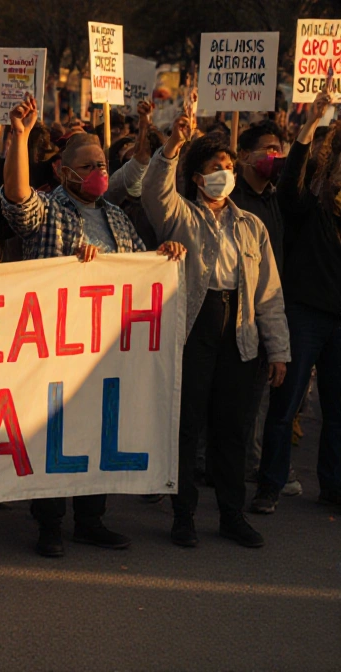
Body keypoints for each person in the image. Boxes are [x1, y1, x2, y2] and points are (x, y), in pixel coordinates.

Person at [2, 94, 182, 558]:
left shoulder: (117, 215)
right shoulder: (50, 211)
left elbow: (140, 269)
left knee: (98, 433)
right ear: (65, 172)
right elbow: (18, 201)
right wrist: (19, 140)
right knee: (53, 437)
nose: (100, 170)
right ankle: (48, 524)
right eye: (89, 164)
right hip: (54, 348)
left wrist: (164, 257)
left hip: (104, 350)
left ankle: (90, 520)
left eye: (103, 161)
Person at [141, 110, 289, 548]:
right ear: (197, 177)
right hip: (194, 328)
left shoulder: (251, 225)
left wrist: (277, 349)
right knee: (186, 426)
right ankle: (182, 515)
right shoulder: (180, 216)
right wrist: (172, 147)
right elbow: (152, 191)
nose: (224, 174)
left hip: (240, 331)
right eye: (214, 168)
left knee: (231, 428)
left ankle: (231, 514)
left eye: (228, 167)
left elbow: (269, 293)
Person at [253, 90, 341, 514]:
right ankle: (269, 486)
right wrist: (310, 126)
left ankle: (333, 487)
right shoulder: (308, 208)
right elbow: (290, 183)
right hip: (304, 315)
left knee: (337, 411)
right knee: (285, 406)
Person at [230, 120, 295, 495]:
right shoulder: (232, 201)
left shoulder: (276, 199)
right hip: (229, 314)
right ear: (243, 156)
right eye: (268, 148)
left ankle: (244, 469)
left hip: (261, 314)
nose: (274, 156)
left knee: (254, 403)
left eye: (279, 148)